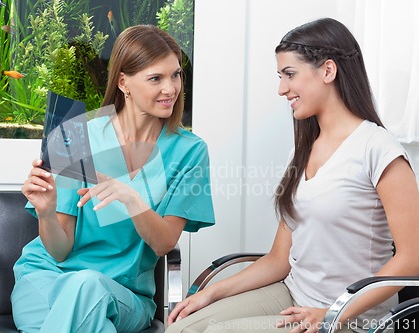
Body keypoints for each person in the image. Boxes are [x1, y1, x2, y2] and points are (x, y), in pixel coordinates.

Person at [166, 17, 419, 333]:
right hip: (293, 292)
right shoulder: (303, 150)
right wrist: (210, 293)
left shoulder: (378, 148)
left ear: (328, 71)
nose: (281, 89)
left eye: (289, 75)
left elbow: (412, 259)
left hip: (353, 316)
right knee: (182, 326)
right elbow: (278, 259)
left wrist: (331, 313)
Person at [11, 24, 215, 333]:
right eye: (155, 78)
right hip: (45, 278)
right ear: (124, 82)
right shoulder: (75, 134)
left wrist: (132, 199)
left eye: (176, 75)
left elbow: (163, 243)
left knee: (87, 287)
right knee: (85, 309)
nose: (171, 88)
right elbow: (59, 251)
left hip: (123, 295)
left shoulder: (189, 151)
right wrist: (47, 212)